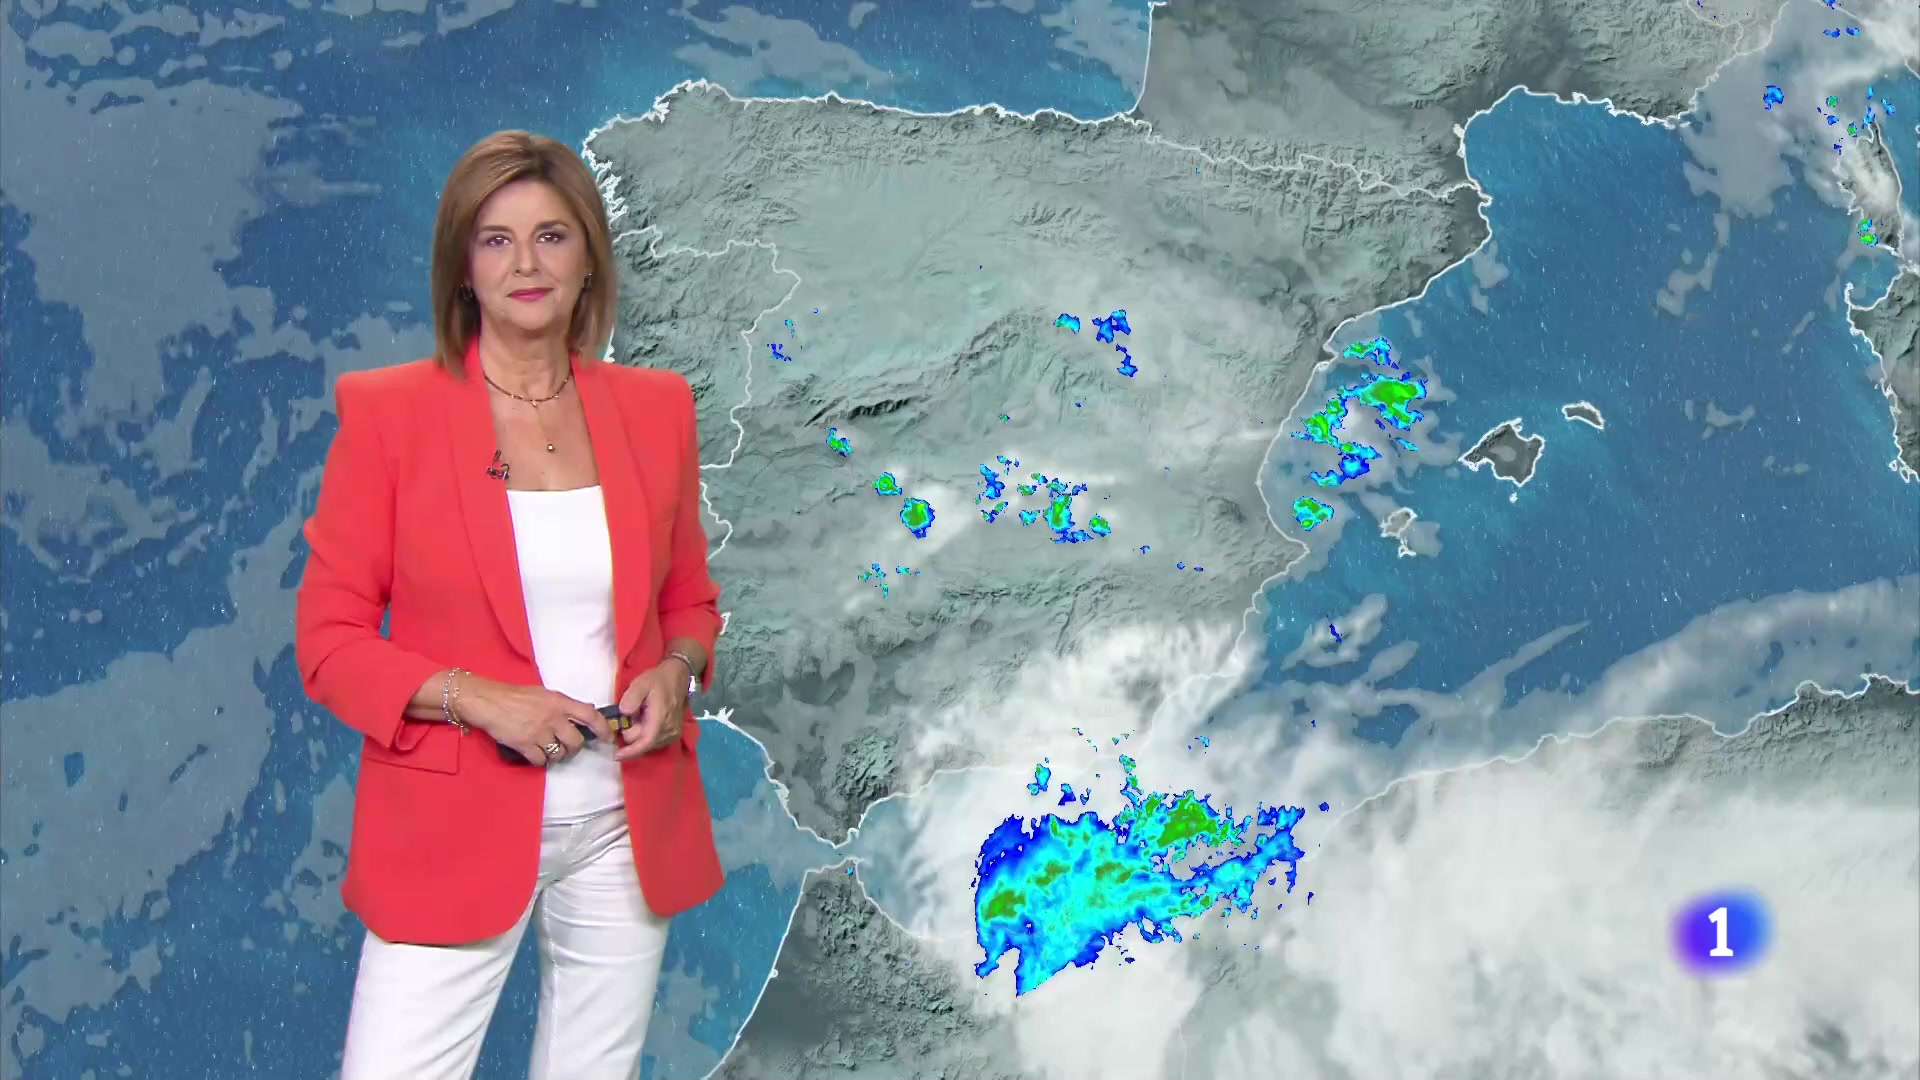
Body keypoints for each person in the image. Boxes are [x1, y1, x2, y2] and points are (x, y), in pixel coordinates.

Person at [295, 129, 724, 1079]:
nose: (526, 263)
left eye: (551, 236)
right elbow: (328, 643)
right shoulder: (391, 415)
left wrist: (676, 669)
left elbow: (690, 600)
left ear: (589, 259)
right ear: (463, 267)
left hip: (623, 825)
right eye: (497, 240)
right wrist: (483, 700)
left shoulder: (657, 408)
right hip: (452, 831)